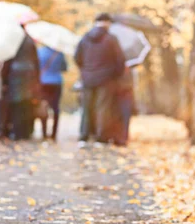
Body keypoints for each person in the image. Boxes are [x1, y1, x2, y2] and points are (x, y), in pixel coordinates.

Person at [74, 13, 125, 144]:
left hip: (87, 78)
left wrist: (85, 71)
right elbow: (120, 61)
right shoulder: (111, 39)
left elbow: (77, 58)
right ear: (108, 23)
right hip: (106, 79)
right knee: (103, 108)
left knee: (86, 108)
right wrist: (114, 75)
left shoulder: (85, 37)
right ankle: (100, 138)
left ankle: (83, 137)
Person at [2, 31, 41, 140]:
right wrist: (37, 79)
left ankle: (17, 131)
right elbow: (36, 61)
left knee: (16, 105)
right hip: (29, 75)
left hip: (15, 75)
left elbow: (7, 60)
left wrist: (4, 79)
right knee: (26, 105)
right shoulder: (30, 41)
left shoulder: (13, 40)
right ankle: (25, 131)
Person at [37, 46, 67, 141]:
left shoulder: (40, 52)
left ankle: (44, 133)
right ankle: (54, 134)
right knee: (55, 108)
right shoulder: (59, 53)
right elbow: (64, 68)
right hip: (56, 82)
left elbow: (37, 66)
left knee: (44, 107)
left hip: (43, 82)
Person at [114, 67, 135, 146]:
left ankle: (121, 137)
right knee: (124, 115)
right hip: (125, 89)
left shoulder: (116, 59)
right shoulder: (130, 65)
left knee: (122, 114)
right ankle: (122, 137)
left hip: (120, 89)